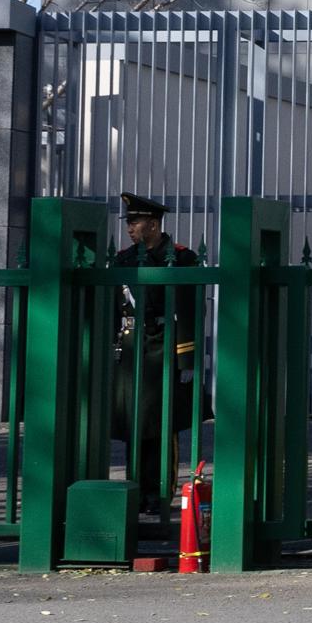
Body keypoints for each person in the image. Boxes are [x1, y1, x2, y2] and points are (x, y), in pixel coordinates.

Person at [110, 192, 201, 516]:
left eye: (134, 222)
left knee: (163, 427)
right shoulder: (123, 259)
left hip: (165, 346)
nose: (129, 228)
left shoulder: (181, 257)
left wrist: (186, 359)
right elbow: (113, 309)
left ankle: (160, 494)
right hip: (134, 347)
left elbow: (190, 311)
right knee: (135, 426)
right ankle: (137, 489)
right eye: (129, 223)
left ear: (152, 223)